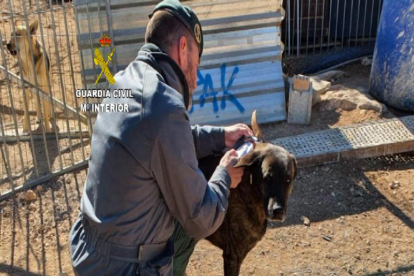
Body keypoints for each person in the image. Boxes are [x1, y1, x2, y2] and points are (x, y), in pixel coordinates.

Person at [69, 0, 254, 275]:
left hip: (92, 249)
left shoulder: (124, 81)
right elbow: (201, 218)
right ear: (182, 49)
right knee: (192, 212)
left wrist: (220, 137)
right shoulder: (164, 106)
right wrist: (224, 174)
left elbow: (161, 144)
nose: (195, 78)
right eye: (196, 64)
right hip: (126, 267)